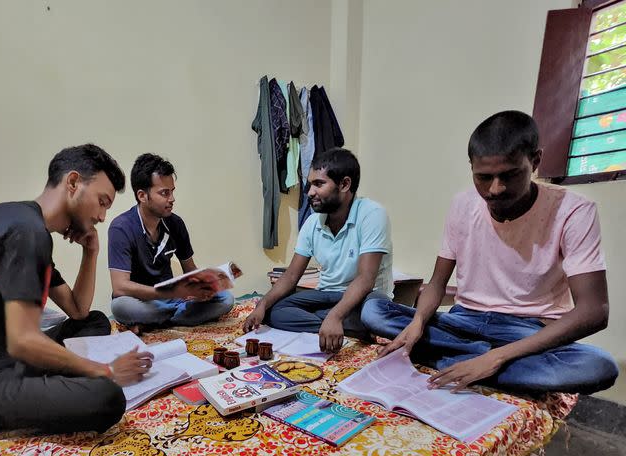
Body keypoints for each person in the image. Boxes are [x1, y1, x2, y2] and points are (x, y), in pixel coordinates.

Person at [361, 111, 618, 394]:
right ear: (471, 167)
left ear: (535, 161)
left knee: (600, 366)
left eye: (509, 175)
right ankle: (479, 362)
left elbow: (595, 310)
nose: (495, 189)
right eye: (483, 177)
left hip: (527, 329)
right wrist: (418, 323)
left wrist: (497, 357)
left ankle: (461, 360)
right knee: (373, 309)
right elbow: (436, 283)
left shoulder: (573, 211)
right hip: (464, 320)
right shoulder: (462, 204)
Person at [0, 144, 153, 434]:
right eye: (102, 202)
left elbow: (78, 310)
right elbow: (23, 341)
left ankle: (55, 373)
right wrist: (105, 371)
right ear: (73, 183)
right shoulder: (27, 233)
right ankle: (63, 377)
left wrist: (91, 252)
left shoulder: (24, 224)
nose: (102, 217)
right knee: (108, 397)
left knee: (94, 322)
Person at [243, 147, 394, 352]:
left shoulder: (372, 214)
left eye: (318, 184)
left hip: (366, 297)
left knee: (373, 314)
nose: (310, 192)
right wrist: (262, 304)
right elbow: (290, 276)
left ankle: (338, 322)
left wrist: (334, 315)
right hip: (326, 296)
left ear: (344, 184)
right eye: (310, 184)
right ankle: (350, 329)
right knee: (274, 310)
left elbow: (366, 280)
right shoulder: (313, 222)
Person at [108, 153, 234, 330]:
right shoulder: (121, 228)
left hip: (170, 299)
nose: (172, 199)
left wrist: (203, 287)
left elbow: (190, 270)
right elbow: (120, 287)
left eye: (172, 191)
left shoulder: (175, 223)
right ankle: (173, 317)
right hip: (142, 300)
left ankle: (157, 321)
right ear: (142, 196)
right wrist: (167, 294)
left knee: (226, 299)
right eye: (164, 193)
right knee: (120, 307)